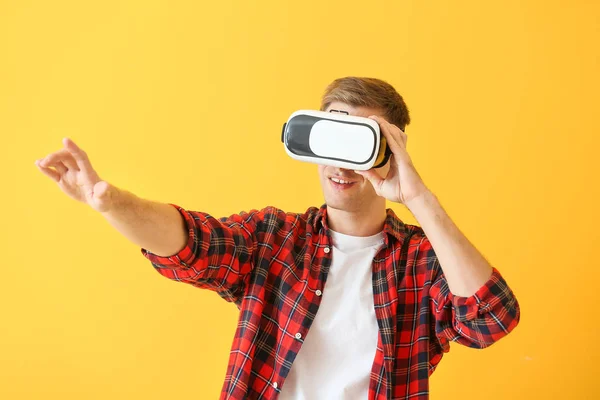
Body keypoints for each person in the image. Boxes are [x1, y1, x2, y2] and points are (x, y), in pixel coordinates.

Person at [35, 77, 520, 400]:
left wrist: (415, 195)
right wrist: (111, 203)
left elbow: (491, 319)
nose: (340, 162)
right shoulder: (274, 238)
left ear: (391, 148)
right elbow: (190, 245)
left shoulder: (423, 261)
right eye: (331, 138)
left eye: (360, 142)